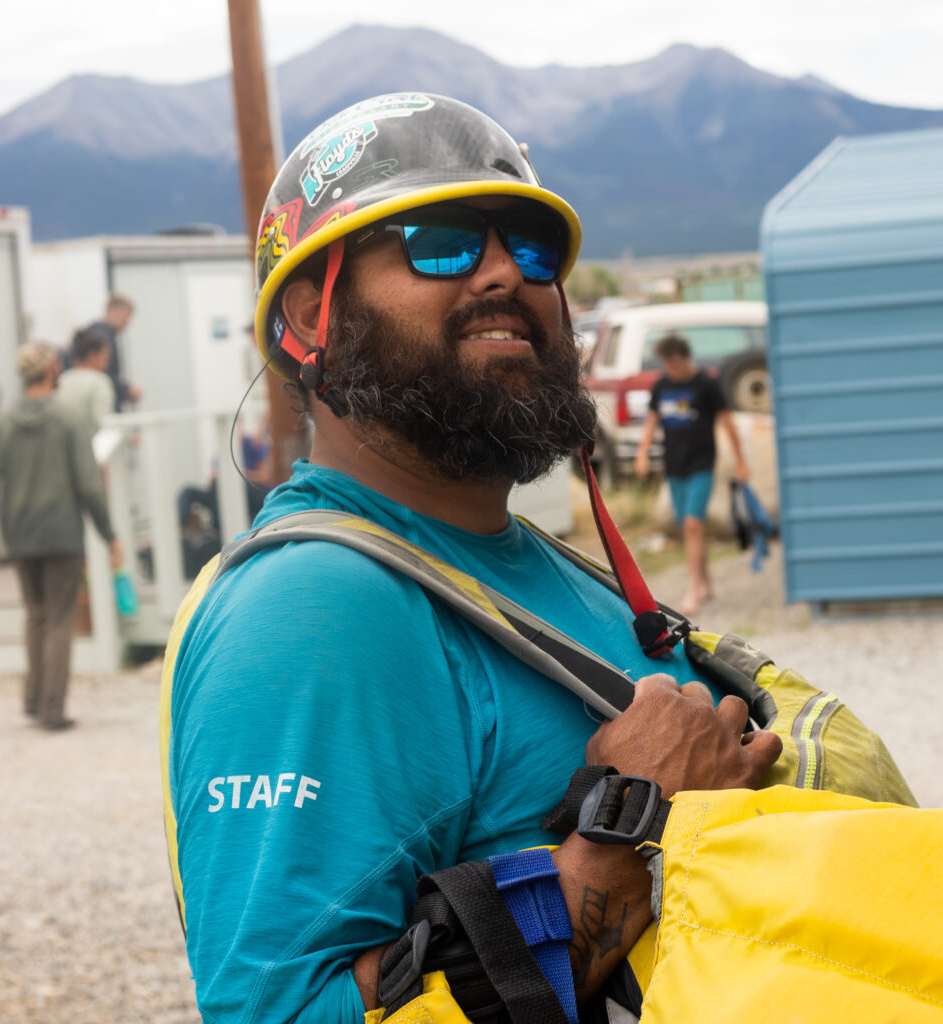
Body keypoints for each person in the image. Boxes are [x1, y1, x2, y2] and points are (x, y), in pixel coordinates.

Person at [161, 93, 781, 1023]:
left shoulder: (530, 563)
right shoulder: (317, 606)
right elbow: (277, 1011)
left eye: (531, 249)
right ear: (309, 310)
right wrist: (637, 824)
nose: (505, 274)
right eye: (441, 239)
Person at [0, 343, 123, 730]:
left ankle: (31, 699)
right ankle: (52, 710)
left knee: (35, 615)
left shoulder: (6, 419)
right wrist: (109, 534)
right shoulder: (68, 416)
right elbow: (89, 483)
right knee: (60, 619)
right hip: (61, 530)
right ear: (49, 370)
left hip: (18, 531)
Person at [634, 333, 749, 615]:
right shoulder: (661, 386)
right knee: (689, 527)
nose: (671, 370)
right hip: (674, 466)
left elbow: (728, 422)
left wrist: (741, 462)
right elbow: (651, 421)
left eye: (675, 364)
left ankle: (694, 589)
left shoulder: (706, 385)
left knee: (692, 526)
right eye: (666, 365)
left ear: (686, 359)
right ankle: (706, 583)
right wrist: (642, 452)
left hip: (701, 464)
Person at [82, 293, 141, 411]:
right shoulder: (102, 337)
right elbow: (102, 372)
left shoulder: (98, 332)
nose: (127, 323)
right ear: (112, 311)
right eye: (126, 317)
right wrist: (126, 389)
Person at [56, 326, 116, 430]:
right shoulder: (99, 381)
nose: (107, 363)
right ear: (93, 355)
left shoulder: (61, 380)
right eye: (105, 357)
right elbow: (103, 422)